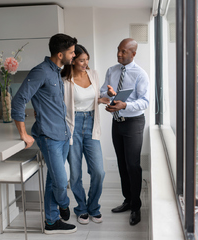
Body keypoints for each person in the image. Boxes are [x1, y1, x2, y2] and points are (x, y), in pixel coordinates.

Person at [11, 33, 77, 234]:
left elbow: (49, 102)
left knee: (52, 179)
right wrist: (23, 133)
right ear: (60, 54)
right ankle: (63, 204)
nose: (74, 56)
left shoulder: (57, 71)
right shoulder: (40, 71)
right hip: (49, 137)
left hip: (63, 134)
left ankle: (51, 221)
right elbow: (19, 100)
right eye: (71, 52)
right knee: (59, 180)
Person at [100, 38, 149, 226]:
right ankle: (128, 200)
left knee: (133, 166)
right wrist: (109, 95)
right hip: (117, 122)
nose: (119, 54)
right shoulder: (112, 71)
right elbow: (104, 91)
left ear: (133, 54)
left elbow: (145, 101)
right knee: (122, 164)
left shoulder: (140, 74)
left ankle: (136, 207)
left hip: (133, 123)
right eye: (118, 50)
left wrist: (125, 104)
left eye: (123, 51)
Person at [61, 44, 109, 225]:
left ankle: (93, 207)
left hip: (91, 125)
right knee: (75, 174)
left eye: (87, 60)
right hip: (72, 127)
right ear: (72, 61)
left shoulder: (94, 75)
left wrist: (102, 100)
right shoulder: (65, 79)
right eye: (81, 60)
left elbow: (92, 98)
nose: (85, 63)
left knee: (98, 171)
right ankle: (81, 208)